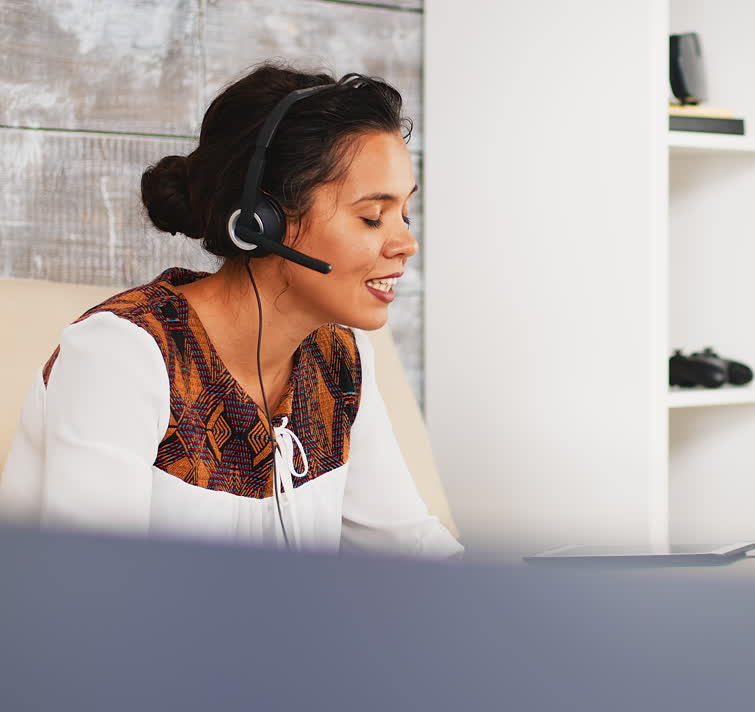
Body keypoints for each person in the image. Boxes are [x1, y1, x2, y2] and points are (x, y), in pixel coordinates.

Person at [0, 63, 462, 557]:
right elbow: (95, 598)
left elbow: (407, 544)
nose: (407, 243)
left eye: (404, 214)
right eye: (372, 217)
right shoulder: (122, 356)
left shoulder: (341, 359)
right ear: (260, 221)